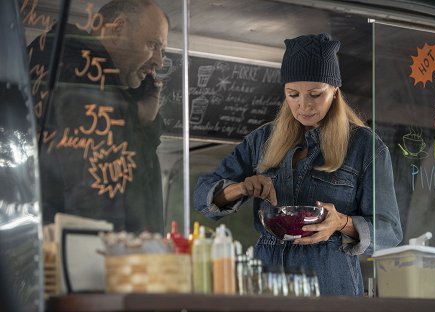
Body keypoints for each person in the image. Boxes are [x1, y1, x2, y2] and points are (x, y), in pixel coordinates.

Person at [194, 33, 403, 296]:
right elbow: (202, 196)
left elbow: (390, 232)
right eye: (293, 94)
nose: (303, 105)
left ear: (335, 91)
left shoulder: (365, 147)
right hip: (266, 281)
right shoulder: (262, 140)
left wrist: (341, 222)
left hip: (330, 283)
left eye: (315, 94)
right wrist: (242, 188)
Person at [27, 0, 169, 232]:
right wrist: (137, 113)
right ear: (117, 29)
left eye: (162, 50)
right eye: (153, 45)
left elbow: (132, 171)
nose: (159, 61)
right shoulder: (66, 60)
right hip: (79, 251)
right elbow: (89, 172)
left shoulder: (117, 90)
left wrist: (146, 122)